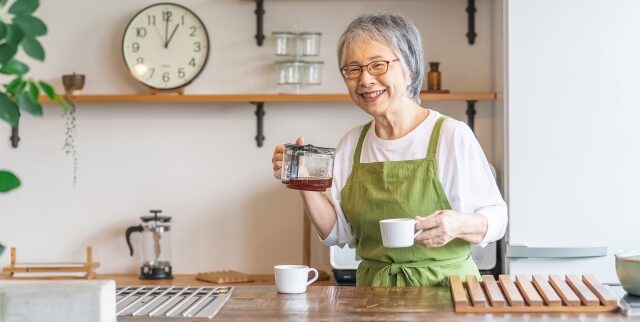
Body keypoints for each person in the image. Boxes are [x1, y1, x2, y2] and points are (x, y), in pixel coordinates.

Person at [271, 13, 507, 287]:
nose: (365, 80)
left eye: (378, 65)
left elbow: (498, 219)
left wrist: (457, 225)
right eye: (353, 69)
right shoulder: (352, 145)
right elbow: (337, 232)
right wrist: (303, 183)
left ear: (411, 70)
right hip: (373, 298)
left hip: (447, 295)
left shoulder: (450, 135)